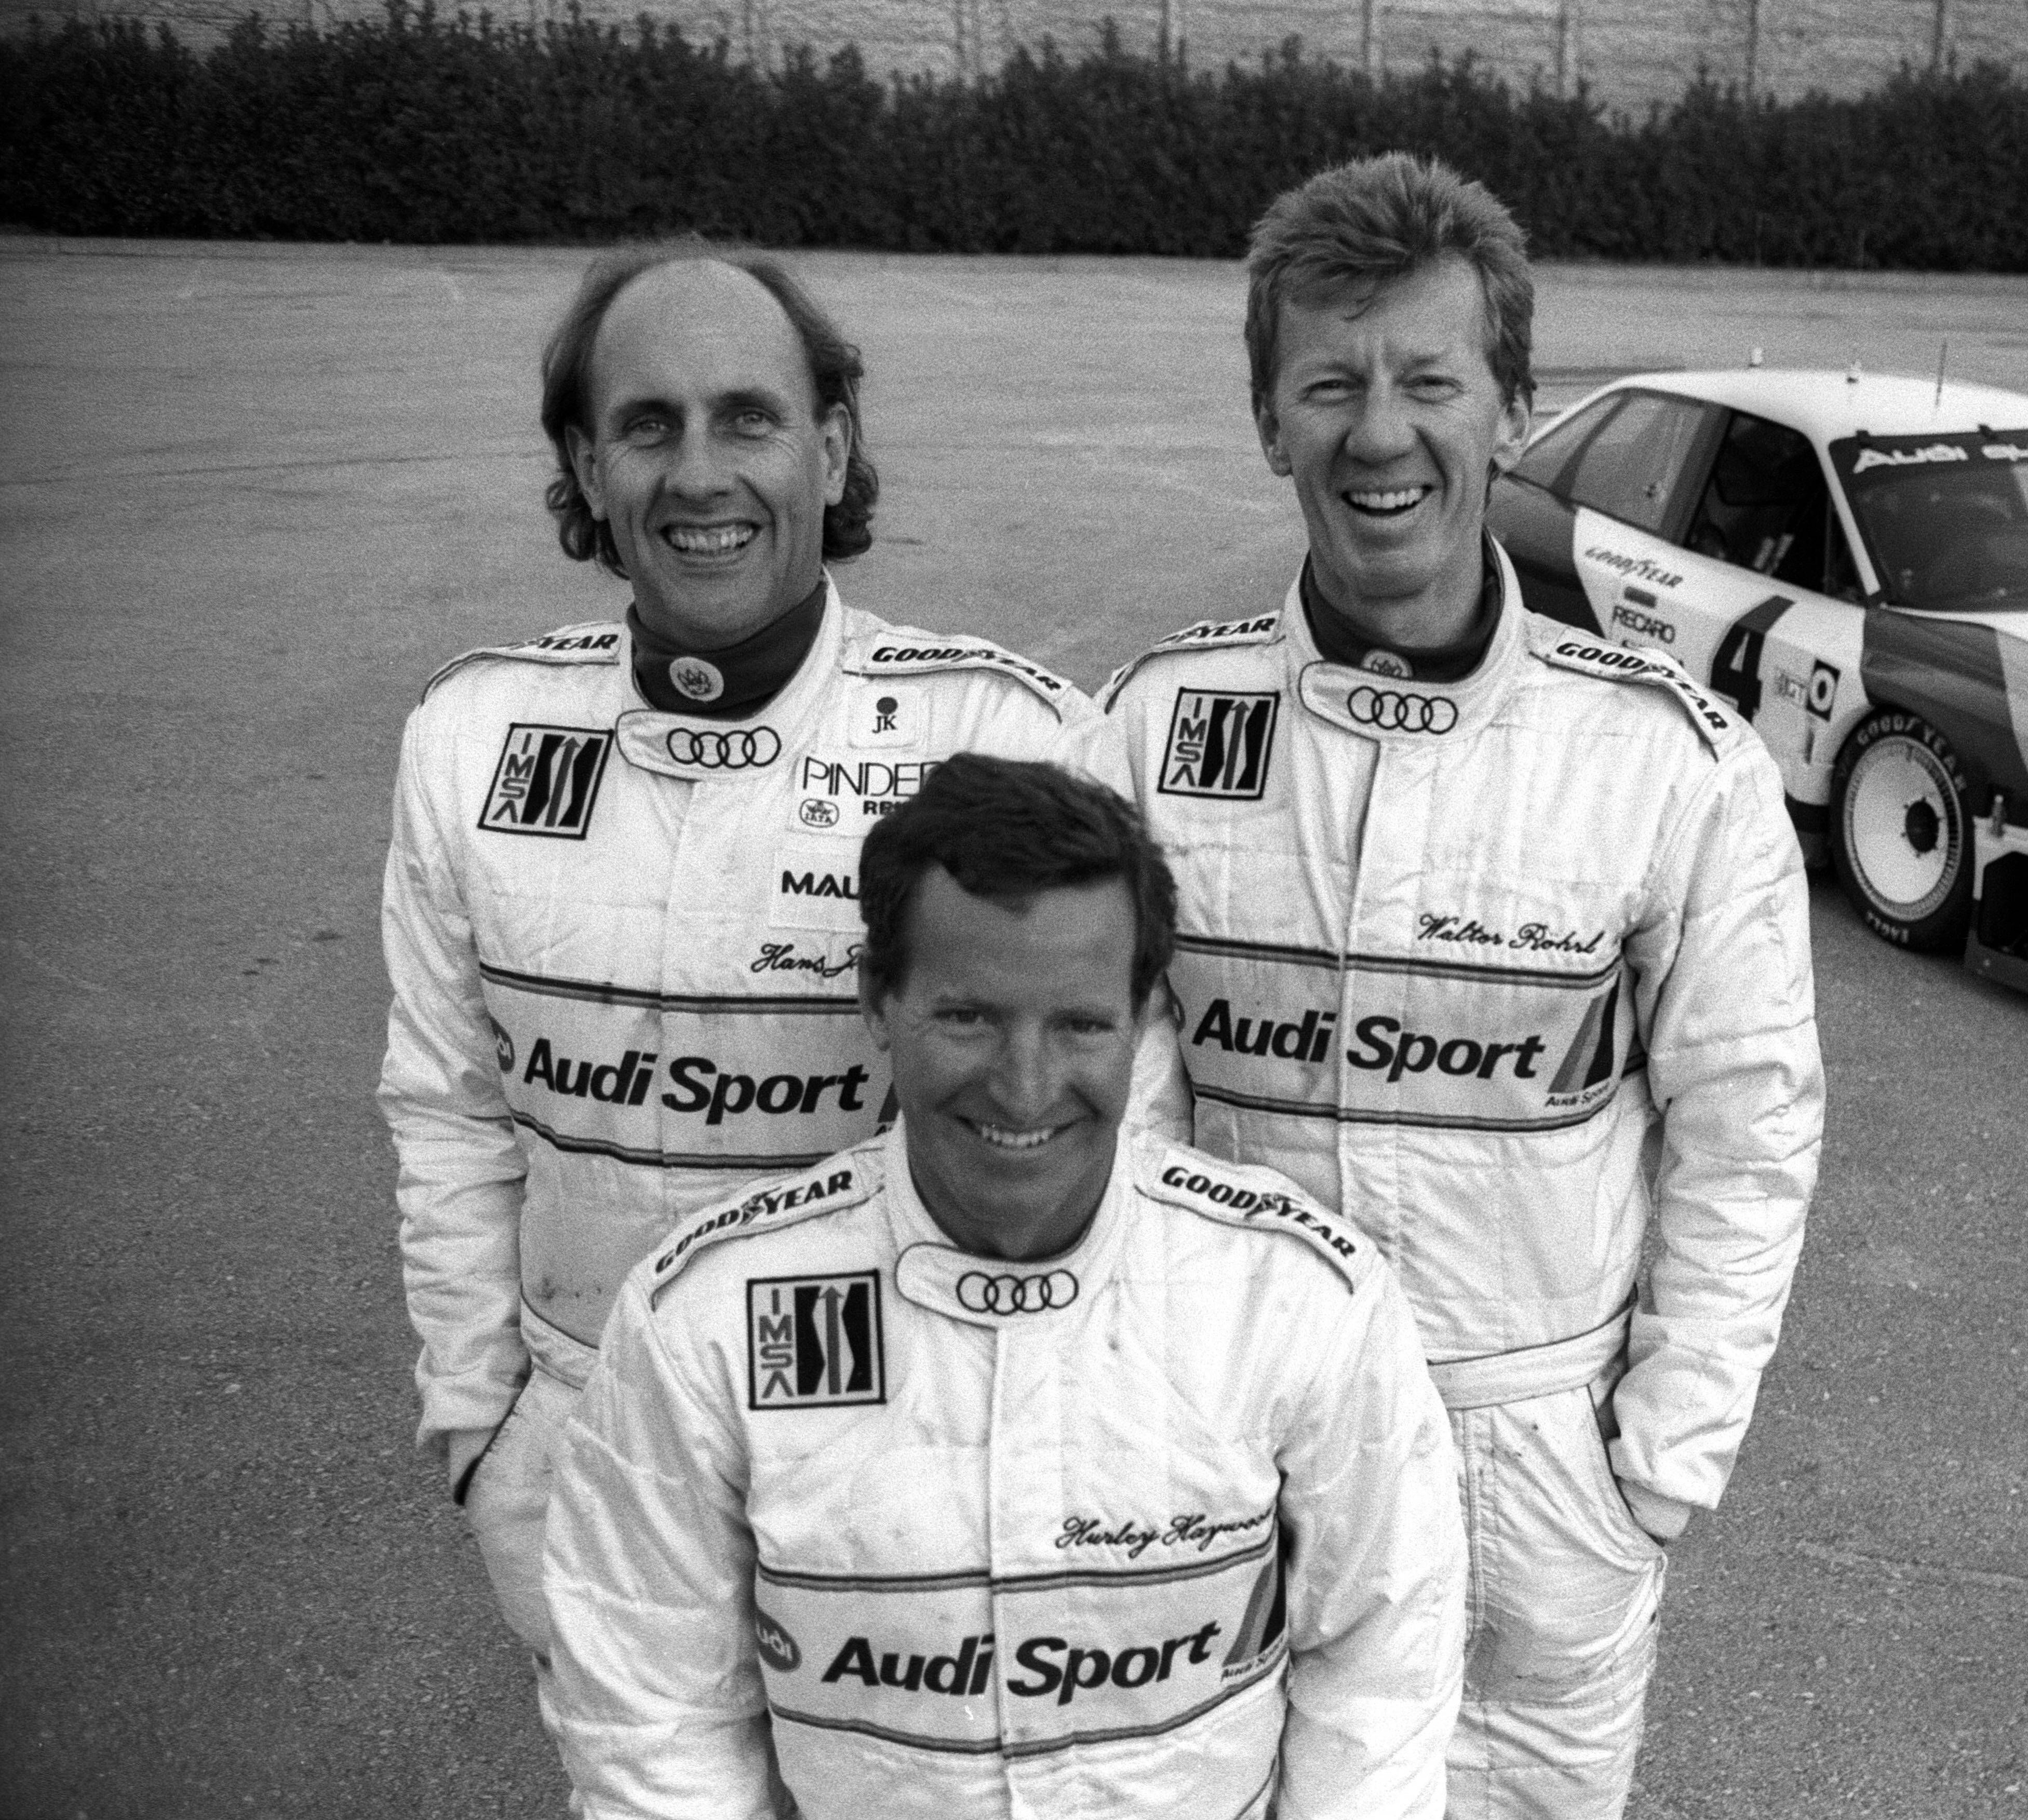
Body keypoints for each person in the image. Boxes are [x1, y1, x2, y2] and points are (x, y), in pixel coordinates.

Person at [1080, 154, 1824, 1818]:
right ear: (1267, 420)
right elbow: (1118, 1113)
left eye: (1429, 381)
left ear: (1514, 410)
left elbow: (1749, 1130)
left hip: (1541, 1476)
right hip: (1244, 1454)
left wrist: (1656, 1467)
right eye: (1328, 385)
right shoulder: (1146, 730)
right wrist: (1156, 1411)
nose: (1379, 434)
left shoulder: (1670, 760)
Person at [377, 247, 1091, 1736]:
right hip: (581, 1447)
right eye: (648, 425)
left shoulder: (1000, 734)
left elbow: (1109, 1134)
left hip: (907, 1455)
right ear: (589, 466)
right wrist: (480, 1425)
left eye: (747, 418)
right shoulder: (472, 733)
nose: (699, 473)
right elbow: (447, 1110)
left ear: (829, 448)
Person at [542, 755, 1465, 1817]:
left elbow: (1382, 1674)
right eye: (969, 1017)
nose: (1025, 1087)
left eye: (1079, 1024)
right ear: (877, 1001)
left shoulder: (1300, 1297)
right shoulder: (705, 1317)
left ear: (1143, 1018)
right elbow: (653, 1717)